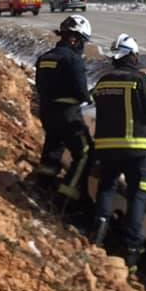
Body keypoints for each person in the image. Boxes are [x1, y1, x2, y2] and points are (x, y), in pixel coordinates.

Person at [90, 33, 146, 271]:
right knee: (137, 196)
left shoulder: (102, 82)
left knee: (106, 188)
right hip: (136, 148)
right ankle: (131, 248)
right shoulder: (140, 81)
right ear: (132, 56)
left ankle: (97, 234)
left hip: (106, 148)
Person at [33, 15, 93, 204]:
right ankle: (67, 196)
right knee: (84, 153)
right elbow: (82, 91)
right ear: (75, 38)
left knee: (53, 146)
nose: (82, 46)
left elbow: (40, 87)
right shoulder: (73, 60)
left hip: (47, 112)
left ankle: (42, 185)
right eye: (82, 41)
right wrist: (88, 97)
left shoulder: (44, 58)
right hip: (68, 115)